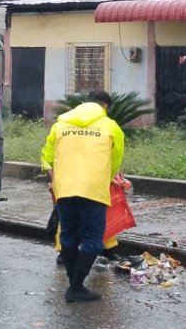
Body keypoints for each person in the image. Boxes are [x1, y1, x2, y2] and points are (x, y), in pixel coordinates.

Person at [40, 90, 125, 303]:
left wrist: (55, 179)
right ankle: (76, 286)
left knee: (68, 236)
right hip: (93, 189)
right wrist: (107, 179)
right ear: (105, 107)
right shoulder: (111, 126)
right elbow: (115, 161)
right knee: (94, 240)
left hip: (65, 189)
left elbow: (46, 158)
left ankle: (74, 285)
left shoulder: (59, 125)